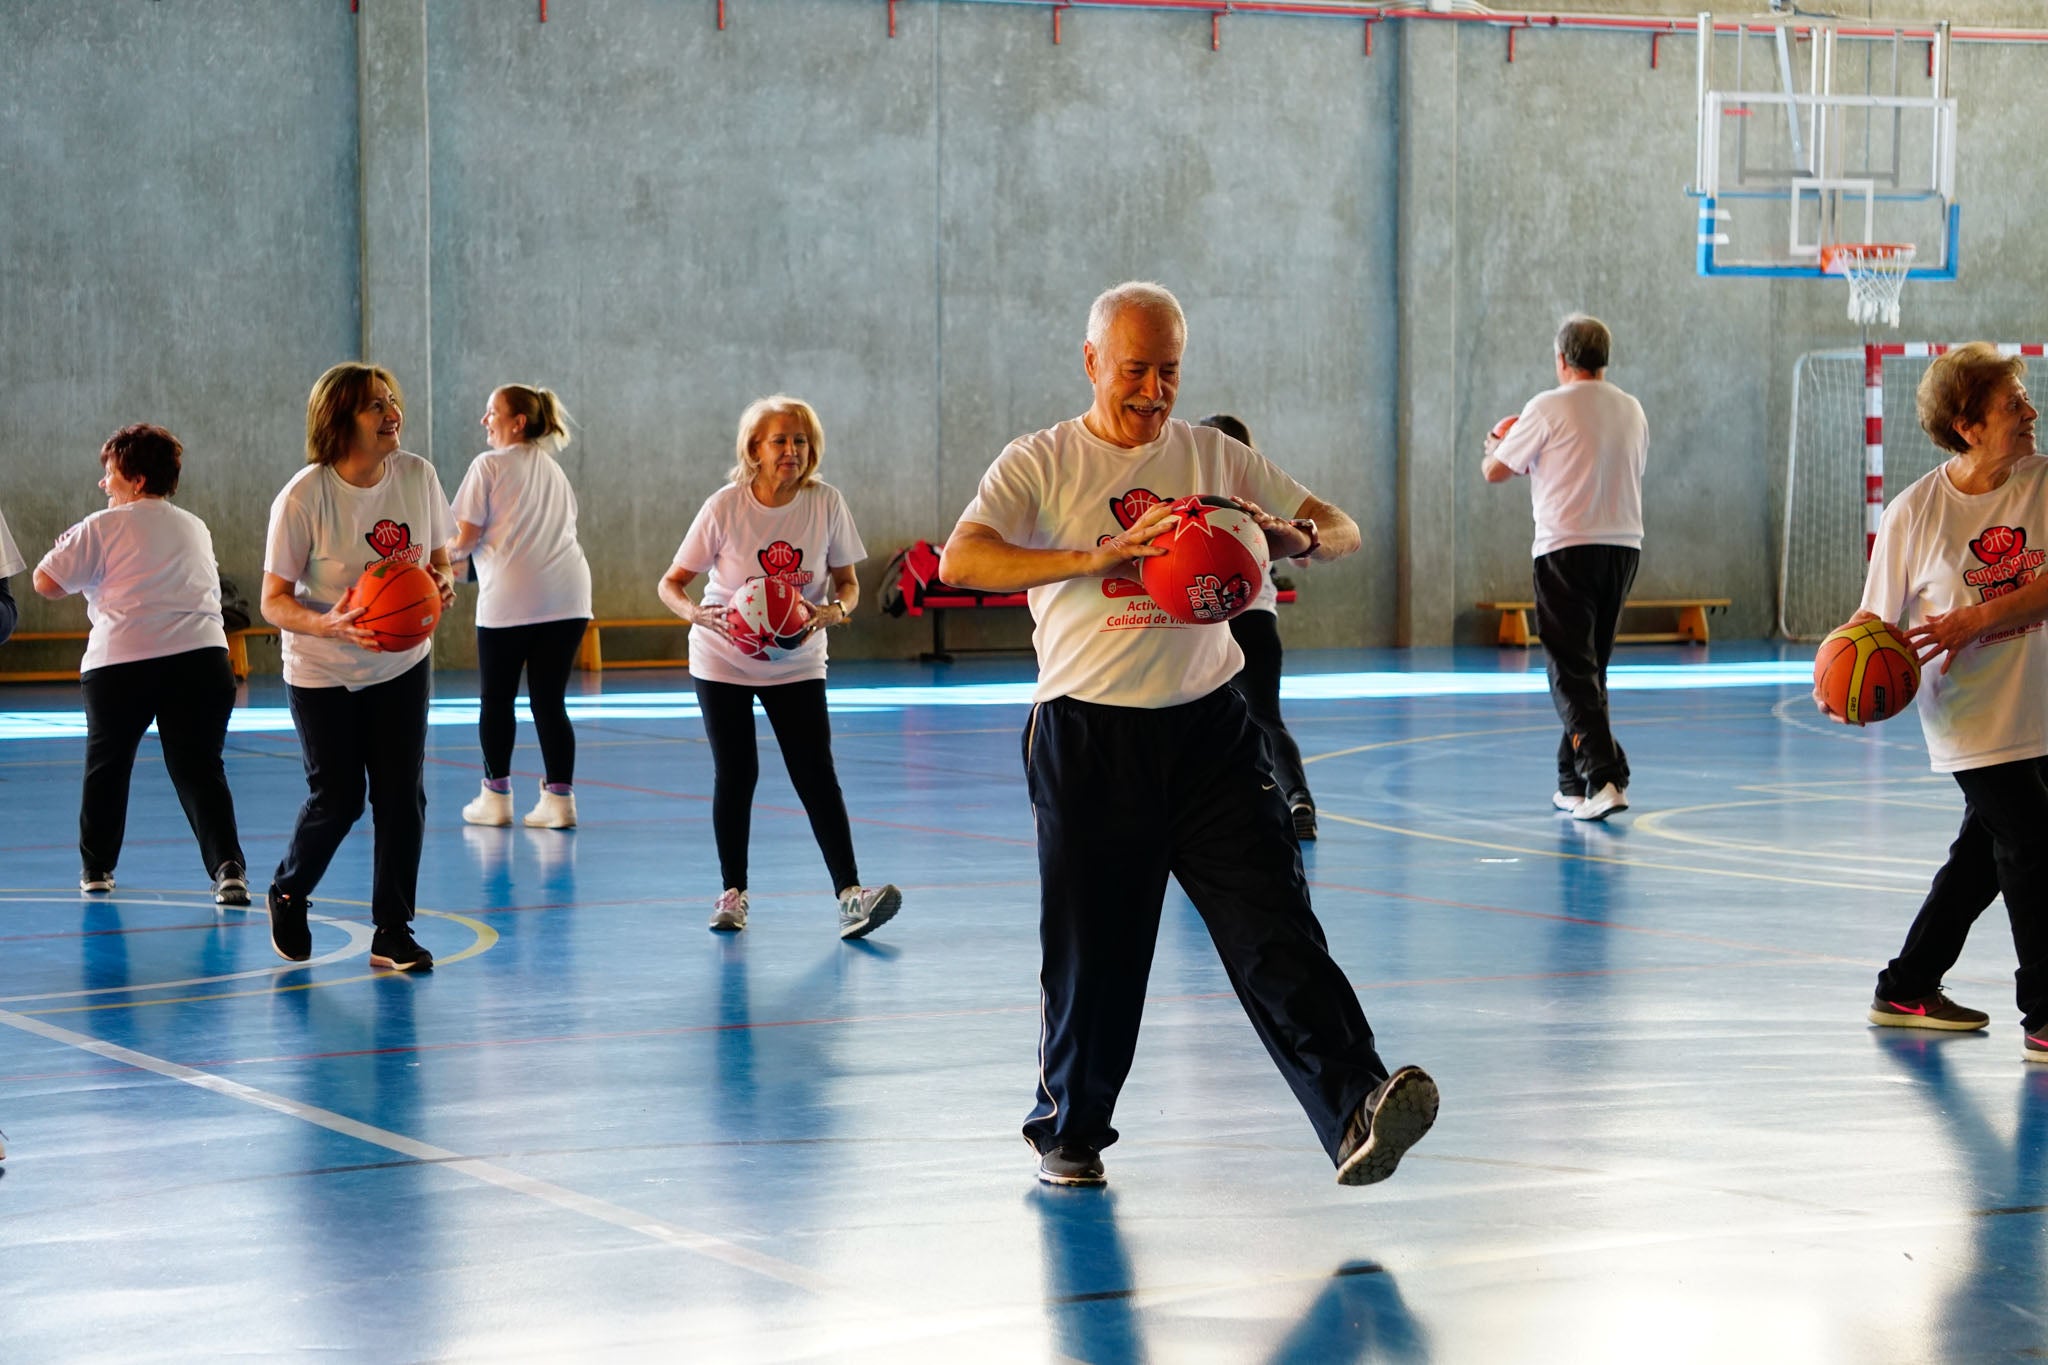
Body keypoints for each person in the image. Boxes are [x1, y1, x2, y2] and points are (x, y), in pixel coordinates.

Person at [939, 281, 1437, 1189]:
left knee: (1275, 926)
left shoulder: (1211, 454)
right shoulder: (1041, 461)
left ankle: (1359, 1105)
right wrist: (1099, 557)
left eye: (1169, 371)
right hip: (1090, 737)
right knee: (1097, 953)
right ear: (1092, 362)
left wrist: (1295, 539)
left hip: (1212, 733)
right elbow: (961, 557)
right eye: (1135, 370)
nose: (1153, 390)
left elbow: (1343, 526)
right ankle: (1071, 1128)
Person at [1831, 342, 2048, 1063]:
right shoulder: (1914, 513)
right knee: (2032, 846)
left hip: (2039, 705)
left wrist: (1978, 617)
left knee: (1982, 855)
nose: (2030, 411)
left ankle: (1907, 985)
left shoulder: (2044, 482)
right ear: (1967, 425)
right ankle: (2045, 1016)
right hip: (1971, 717)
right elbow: (1872, 626)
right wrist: (1841, 688)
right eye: (2012, 404)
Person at [656, 395, 902, 940]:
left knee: (816, 773)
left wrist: (836, 611)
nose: (792, 450)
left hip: (797, 659)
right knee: (737, 772)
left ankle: (851, 897)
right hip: (722, 657)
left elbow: (849, 583)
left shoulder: (826, 502)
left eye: (801, 440)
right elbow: (670, 583)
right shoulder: (724, 506)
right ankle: (733, 893)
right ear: (754, 449)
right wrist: (698, 614)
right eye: (780, 441)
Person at [260, 363, 455, 972]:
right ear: (340, 420)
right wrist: (328, 623)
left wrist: (440, 586)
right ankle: (288, 890)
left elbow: (444, 560)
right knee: (340, 797)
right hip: (323, 668)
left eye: (392, 398)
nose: (391, 410)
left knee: (402, 797)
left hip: (401, 664)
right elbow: (273, 599)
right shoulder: (304, 495)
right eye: (375, 404)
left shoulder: (418, 475)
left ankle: (392, 932)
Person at [31, 425, 249, 904]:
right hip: (204, 661)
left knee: (107, 767)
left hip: (123, 663)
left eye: (109, 474)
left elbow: (44, 582)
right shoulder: (195, 525)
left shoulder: (101, 525)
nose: (104, 484)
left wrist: (71, 545)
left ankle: (96, 869)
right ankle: (229, 868)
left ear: (133, 477)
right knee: (200, 769)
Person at [1481, 313, 1648, 822]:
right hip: (1623, 546)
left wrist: (1496, 443)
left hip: (1565, 547)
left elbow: (1494, 471)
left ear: (1561, 359)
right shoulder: (1632, 409)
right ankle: (1571, 782)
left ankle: (1605, 776)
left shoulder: (1546, 407)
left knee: (1569, 670)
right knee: (1589, 668)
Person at [449, 385, 592, 830]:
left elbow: (465, 540)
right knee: (550, 701)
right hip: (569, 597)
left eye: (492, 412)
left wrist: (430, 561)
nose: (484, 420)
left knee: (497, 699)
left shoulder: (487, 465)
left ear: (518, 422)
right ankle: (560, 800)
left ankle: (496, 797)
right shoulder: (554, 472)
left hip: (512, 599)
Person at [1197, 413, 1317, 840]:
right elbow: (1303, 556)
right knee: (1264, 716)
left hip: (1208, 619)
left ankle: (1206, 813)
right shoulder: (1265, 492)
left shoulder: (1197, 495)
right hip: (1257, 616)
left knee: (1195, 718)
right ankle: (1298, 797)